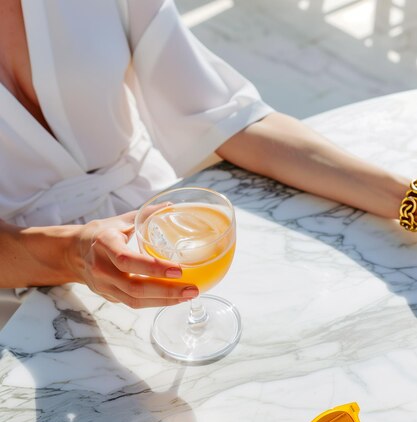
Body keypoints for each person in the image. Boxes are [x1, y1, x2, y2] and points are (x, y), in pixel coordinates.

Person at [0, 0, 410, 329]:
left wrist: (407, 200)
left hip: (160, 225)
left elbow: (231, 121)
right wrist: (72, 253)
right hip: (22, 288)